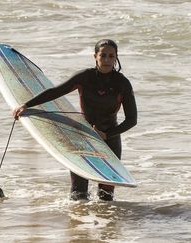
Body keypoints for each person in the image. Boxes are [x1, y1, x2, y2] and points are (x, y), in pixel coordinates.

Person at [13, 39, 137, 201]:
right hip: (83, 137)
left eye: (111, 56)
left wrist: (107, 135)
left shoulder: (122, 84)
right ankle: (78, 223)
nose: (107, 60)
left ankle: (107, 225)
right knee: (78, 193)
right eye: (103, 55)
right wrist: (26, 105)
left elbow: (132, 119)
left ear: (116, 58)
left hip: (110, 140)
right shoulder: (84, 77)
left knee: (106, 196)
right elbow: (56, 92)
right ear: (95, 56)